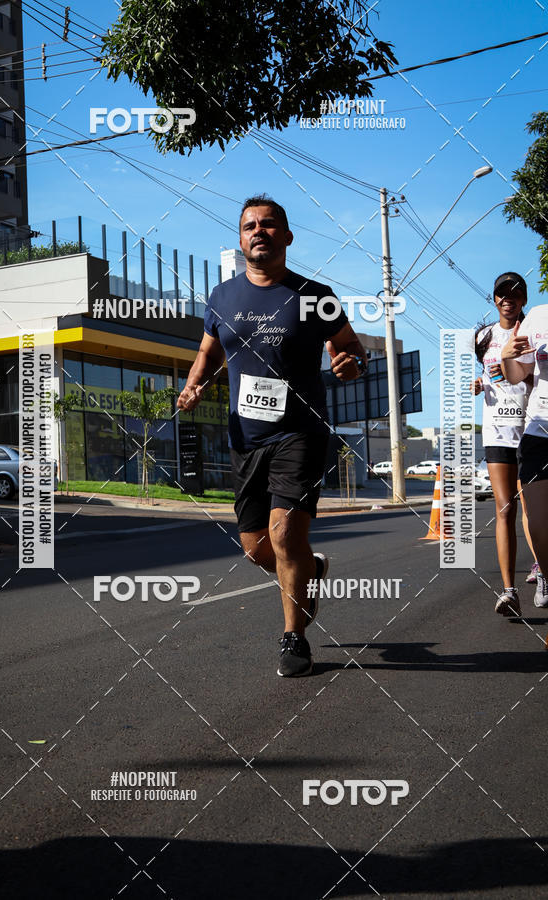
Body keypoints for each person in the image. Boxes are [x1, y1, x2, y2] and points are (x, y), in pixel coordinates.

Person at [177, 194, 366, 677]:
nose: (258, 231)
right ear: (240, 239)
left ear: (286, 236)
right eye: (249, 226)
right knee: (258, 549)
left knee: (284, 534)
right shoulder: (221, 297)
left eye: (268, 224)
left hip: (300, 433)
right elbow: (209, 352)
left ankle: (293, 639)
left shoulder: (315, 294)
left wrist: (349, 364)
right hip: (246, 438)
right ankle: (313, 569)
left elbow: (350, 349)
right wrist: (194, 383)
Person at [472, 272, 536, 616]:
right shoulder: (483, 336)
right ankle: (509, 591)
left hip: (532, 430)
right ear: (494, 299)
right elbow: (489, 371)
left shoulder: (534, 332)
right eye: (501, 293)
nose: (507, 298)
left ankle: (541, 572)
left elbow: (533, 376)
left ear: (523, 298)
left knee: (533, 509)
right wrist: (481, 380)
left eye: (514, 293)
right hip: (497, 431)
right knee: (504, 508)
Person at [501, 298, 548, 612]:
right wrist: (507, 357)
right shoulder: (539, 316)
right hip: (539, 428)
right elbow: (518, 375)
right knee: (539, 524)